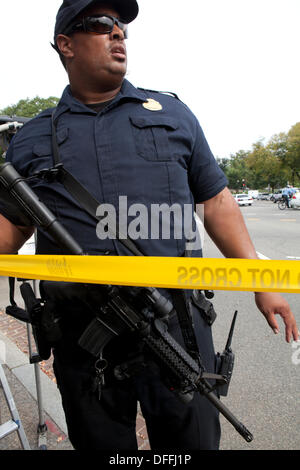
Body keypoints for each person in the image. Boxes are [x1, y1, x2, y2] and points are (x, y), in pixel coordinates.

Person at [0, 0, 298, 451]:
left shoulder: (173, 115)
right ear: (66, 45)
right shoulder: (33, 138)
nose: (118, 33)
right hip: (82, 335)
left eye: (122, 27)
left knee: (191, 443)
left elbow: (216, 202)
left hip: (175, 325)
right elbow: (10, 227)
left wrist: (262, 282)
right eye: (103, 25)